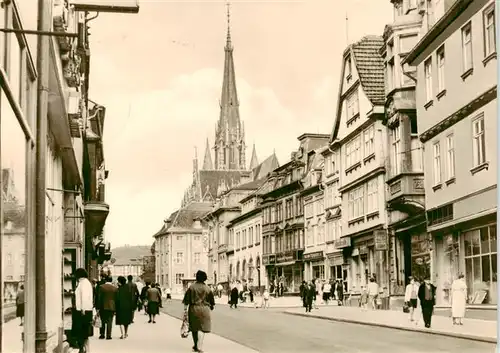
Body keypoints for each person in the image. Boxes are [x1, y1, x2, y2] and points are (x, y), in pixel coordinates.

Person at [183, 270, 215, 353]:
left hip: (194, 309)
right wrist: (211, 306)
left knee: (194, 328)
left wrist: (185, 311)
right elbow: (212, 302)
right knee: (202, 328)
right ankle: (199, 346)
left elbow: (186, 300)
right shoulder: (208, 288)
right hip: (205, 309)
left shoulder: (191, 287)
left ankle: (196, 345)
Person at [73, 269, 94, 353]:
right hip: (85, 310)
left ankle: (83, 349)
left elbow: (84, 297)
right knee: (84, 333)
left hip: (83, 311)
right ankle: (85, 349)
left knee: (81, 332)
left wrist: (83, 309)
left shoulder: (84, 284)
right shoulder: (85, 283)